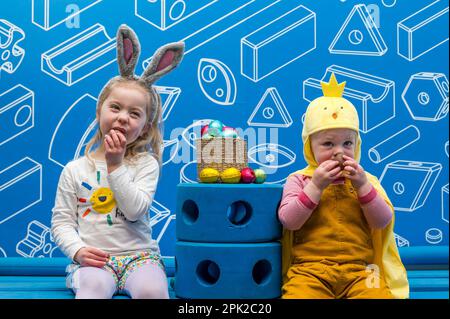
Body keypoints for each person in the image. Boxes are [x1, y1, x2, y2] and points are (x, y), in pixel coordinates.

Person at [51, 24, 184, 299]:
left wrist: (115, 165)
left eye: (135, 114)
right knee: (92, 289)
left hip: (140, 258)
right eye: (115, 108)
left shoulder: (146, 164)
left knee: (153, 291)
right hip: (96, 260)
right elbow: (62, 222)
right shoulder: (74, 170)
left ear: (145, 128)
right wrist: (77, 250)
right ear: (100, 111)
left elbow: (135, 211)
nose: (123, 117)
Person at [278, 73, 409, 299]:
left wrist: (363, 187)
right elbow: (289, 221)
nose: (339, 151)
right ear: (310, 147)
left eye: (347, 143)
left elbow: (381, 222)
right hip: (309, 271)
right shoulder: (299, 180)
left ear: (357, 144)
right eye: (328, 143)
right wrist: (316, 187)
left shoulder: (366, 180)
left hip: (362, 271)